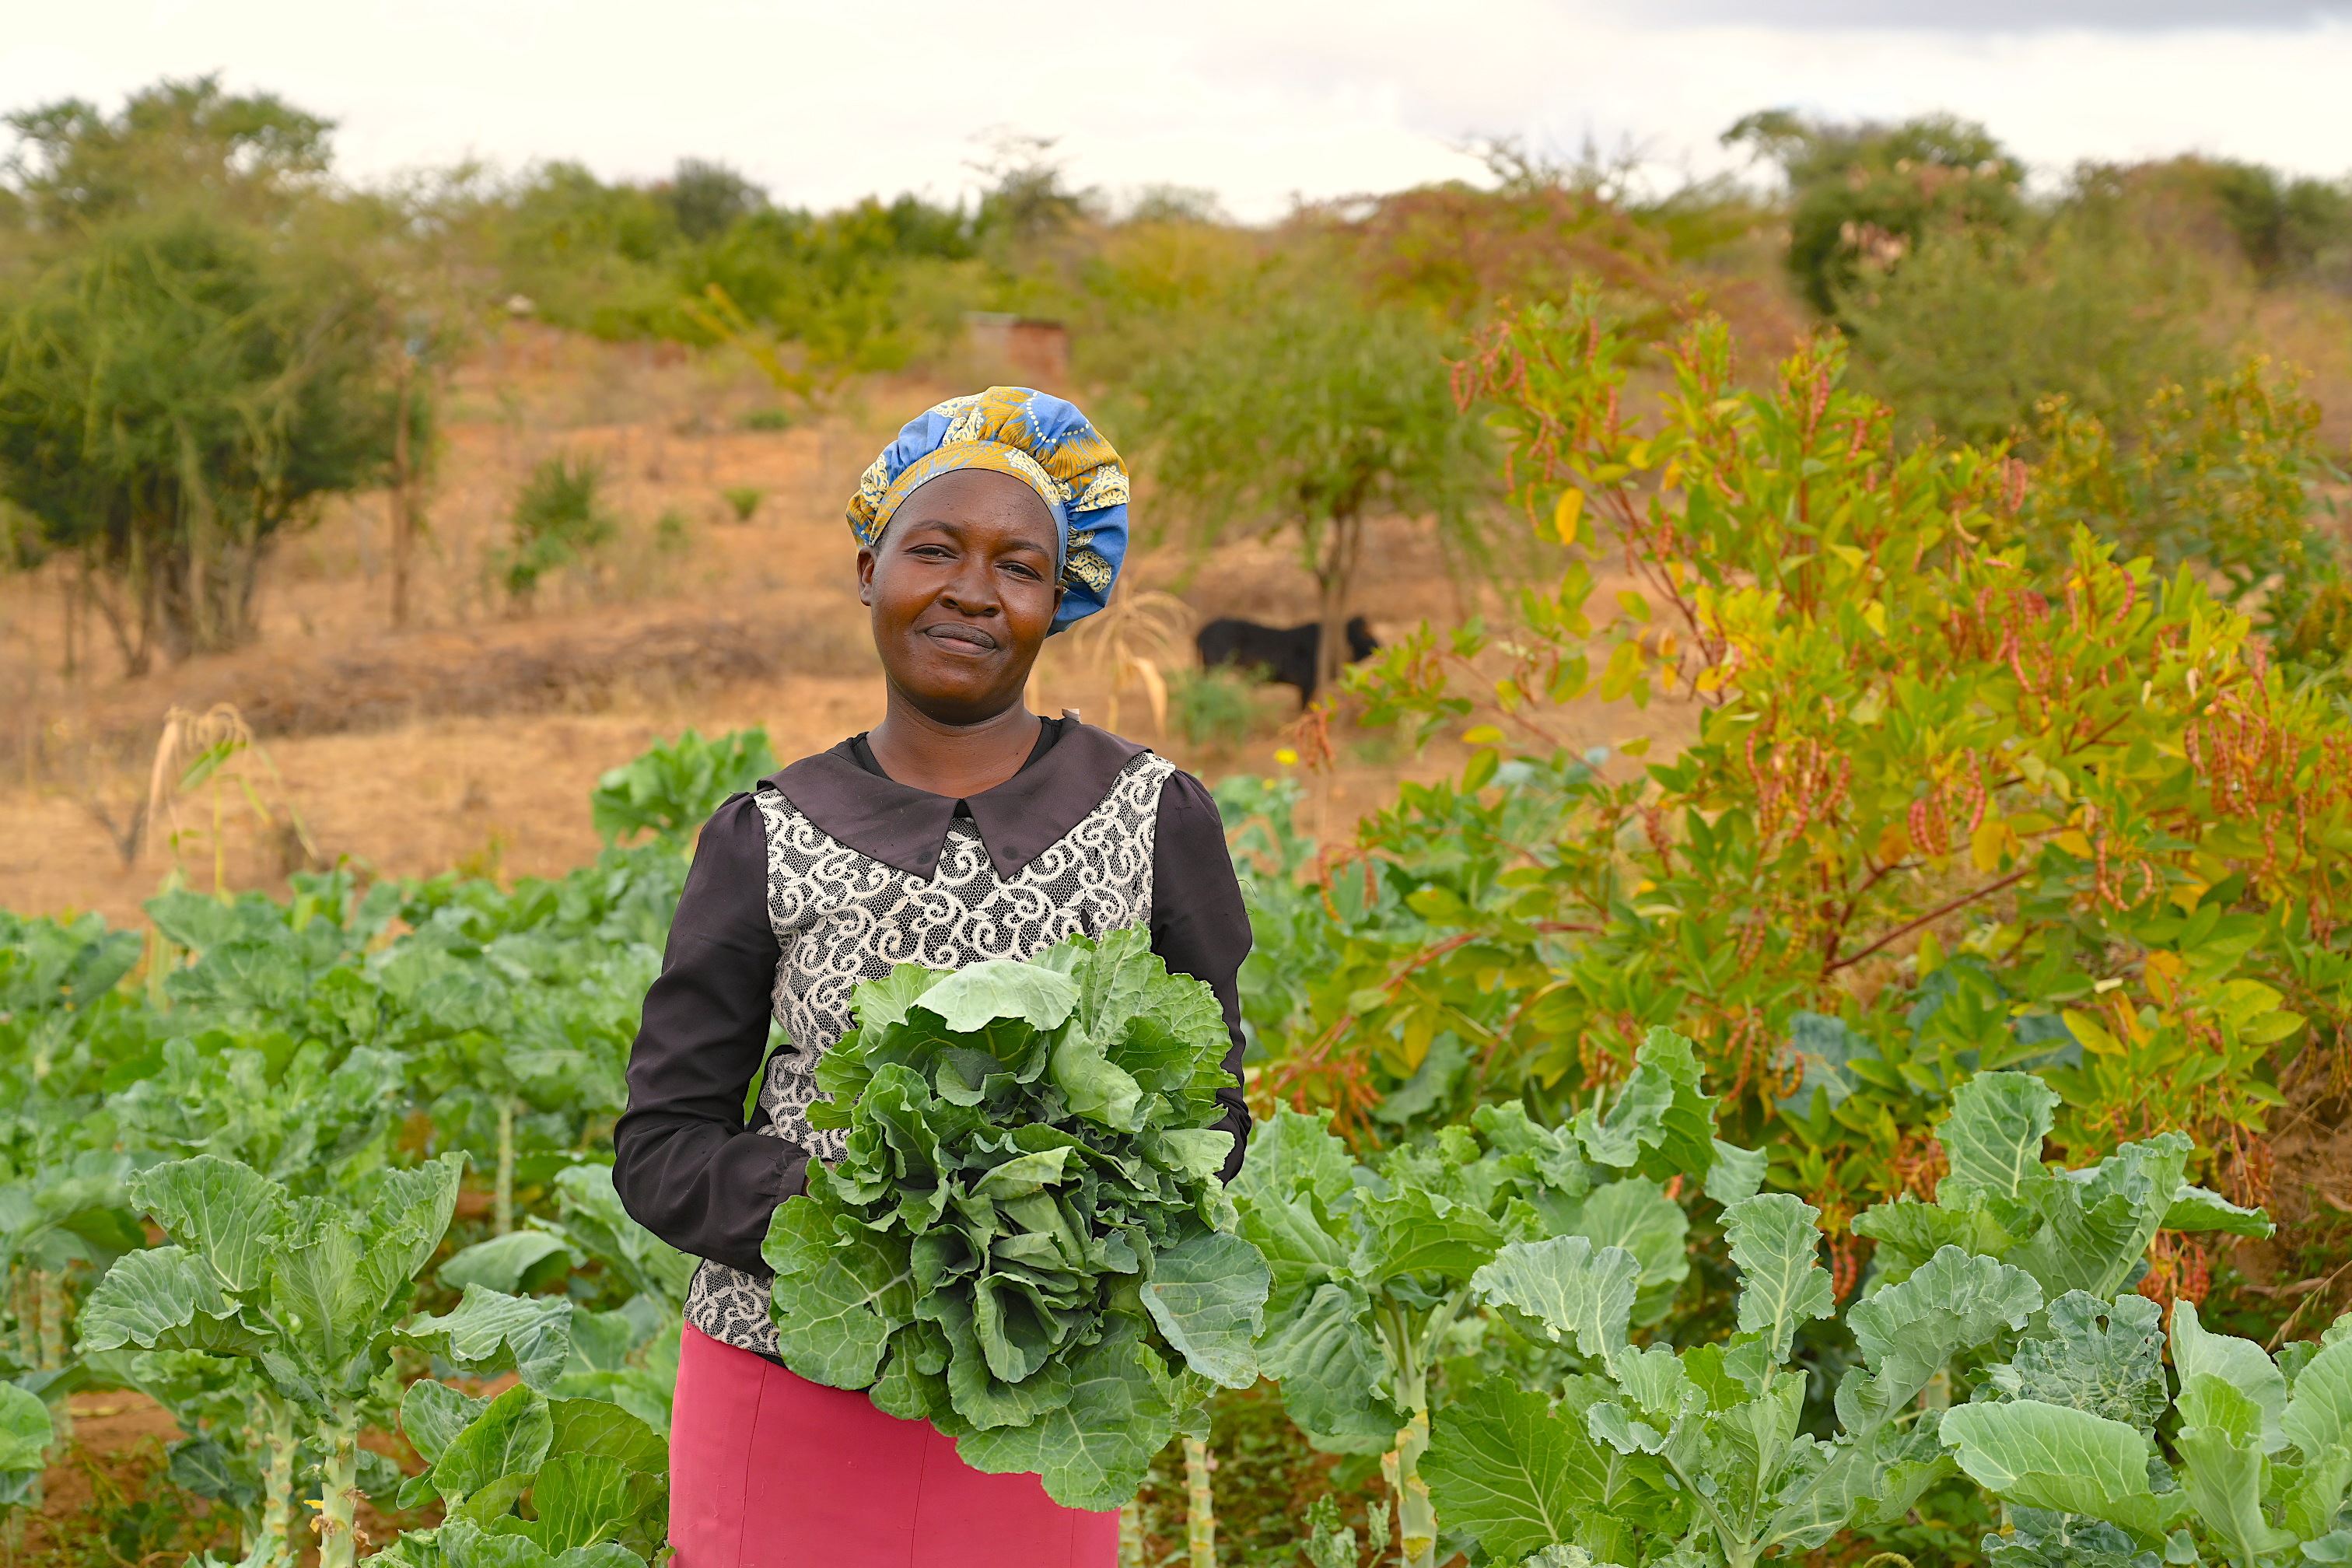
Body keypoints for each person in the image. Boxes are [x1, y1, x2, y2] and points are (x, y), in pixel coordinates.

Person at [612, 387, 1254, 1567]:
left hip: (1041, 1391)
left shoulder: (1155, 815)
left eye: (1018, 565)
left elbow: (1209, 1115)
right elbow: (662, 1146)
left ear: (1058, 602)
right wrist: (876, 1220)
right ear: (868, 569)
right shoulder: (762, 834)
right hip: (787, 1369)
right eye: (935, 549)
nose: (972, 590)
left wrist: (1046, 1234)